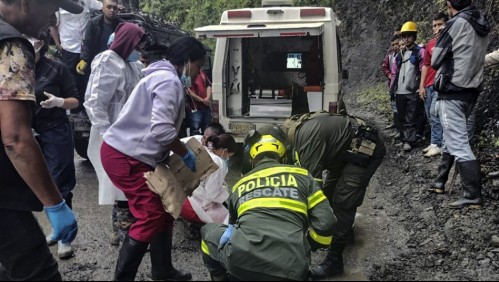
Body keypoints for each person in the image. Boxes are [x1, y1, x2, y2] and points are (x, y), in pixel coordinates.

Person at [100, 36, 207, 281]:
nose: (198, 72)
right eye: (198, 66)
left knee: (166, 209)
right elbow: (162, 130)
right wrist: (184, 153)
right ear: (188, 60)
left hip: (133, 154)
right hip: (125, 155)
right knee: (150, 214)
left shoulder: (160, 76)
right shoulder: (168, 81)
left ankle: (163, 271)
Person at [0, 0, 82, 280]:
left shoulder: (57, 68)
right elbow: (16, 138)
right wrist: (55, 204)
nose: (52, 18)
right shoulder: (12, 44)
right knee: (38, 273)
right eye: (50, 7)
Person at [201, 125, 336, 281]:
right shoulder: (302, 176)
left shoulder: (240, 185)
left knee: (208, 232)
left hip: (241, 264)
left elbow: (231, 229)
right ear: (284, 156)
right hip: (293, 268)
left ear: (251, 160)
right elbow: (326, 223)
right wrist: (308, 245)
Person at [281, 111, 386, 279]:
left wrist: (299, 224)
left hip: (364, 151)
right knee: (329, 194)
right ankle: (344, 231)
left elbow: (312, 187)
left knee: (344, 201)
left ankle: (334, 261)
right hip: (345, 152)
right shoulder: (299, 130)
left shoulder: (307, 139)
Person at [84, 22, 145, 245]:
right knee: (119, 184)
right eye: (137, 44)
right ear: (128, 41)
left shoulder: (132, 65)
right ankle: (124, 234)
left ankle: (121, 231)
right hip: (111, 132)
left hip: (129, 132)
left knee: (124, 184)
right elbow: (94, 102)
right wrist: (107, 133)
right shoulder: (108, 61)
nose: (139, 48)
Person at [431, 0, 490, 208]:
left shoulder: (456, 23)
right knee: (455, 137)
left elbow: (436, 58)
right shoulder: (481, 22)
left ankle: (472, 194)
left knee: (458, 142)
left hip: (453, 90)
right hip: (471, 90)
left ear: (449, 4)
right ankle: (441, 181)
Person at [29, 33, 80, 260]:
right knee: (36, 183)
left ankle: (65, 238)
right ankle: (54, 228)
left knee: (60, 181)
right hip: (28, 131)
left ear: (41, 43)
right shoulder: (14, 68)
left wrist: (59, 102)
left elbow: (75, 100)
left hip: (55, 129)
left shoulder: (57, 69)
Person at [180, 134, 236, 239]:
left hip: (178, 198)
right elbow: (212, 195)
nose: (227, 158)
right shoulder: (218, 162)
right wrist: (224, 191)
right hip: (193, 206)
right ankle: (199, 226)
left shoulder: (200, 149)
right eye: (229, 155)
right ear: (225, 151)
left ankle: (192, 221)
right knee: (229, 221)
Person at [50, 0, 103, 109]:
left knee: (87, 78)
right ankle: (73, 107)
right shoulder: (61, 5)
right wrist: (57, 44)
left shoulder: (87, 2)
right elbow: (53, 26)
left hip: (86, 49)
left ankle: (85, 106)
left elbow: (102, 6)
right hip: (69, 48)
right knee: (71, 78)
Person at [390, 21, 425, 151]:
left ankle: (409, 141)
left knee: (411, 117)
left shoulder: (419, 52)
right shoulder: (399, 55)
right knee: (401, 116)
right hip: (400, 90)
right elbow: (394, 73)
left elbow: (423, 70)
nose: (406, 39)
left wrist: (421, 87)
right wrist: (392, 89)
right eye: (404, 36)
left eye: (409, 36)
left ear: (414, 36)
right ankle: (404, 138)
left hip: (412, 90)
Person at [418, 12, 449, 158]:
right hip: (429, 83)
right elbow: (425, 65)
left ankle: (440, 144)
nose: (437, 28)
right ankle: (435, 141)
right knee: (430, 115)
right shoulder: (430, 44)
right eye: (434, 25)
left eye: (440, 24)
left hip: (441, 83)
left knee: (436, 113)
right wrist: (421, 85)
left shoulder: (450, 40)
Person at [77, 0, 122, 76]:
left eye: (114, 8)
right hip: (95, 60)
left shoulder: (120, 25)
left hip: (112, 63)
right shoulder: (93, 23)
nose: (112, 10)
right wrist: (84, 60)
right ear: (103, 8)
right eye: (109, 7)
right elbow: (87, 43)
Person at [382, 34, 400, 131]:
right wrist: (389, 75)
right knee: (394, 106)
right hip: (392, 84)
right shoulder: (390, 54)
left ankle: (400, 130)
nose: (395, 46)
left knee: (400, 108)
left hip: (402, 85)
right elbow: (384, 66)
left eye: (396, 44)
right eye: (393, 45)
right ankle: (396, 126)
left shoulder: (403, 53)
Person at [187, 68, 213, 136]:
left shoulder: (202, 72)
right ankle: (195, 146)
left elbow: (209, 86)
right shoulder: (187, 75)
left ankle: (206, 146)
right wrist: (202, 100)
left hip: (206, 107)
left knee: (208, 130)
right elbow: (188, 91)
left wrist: (208, 97)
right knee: (195, 130)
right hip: (195, 108)